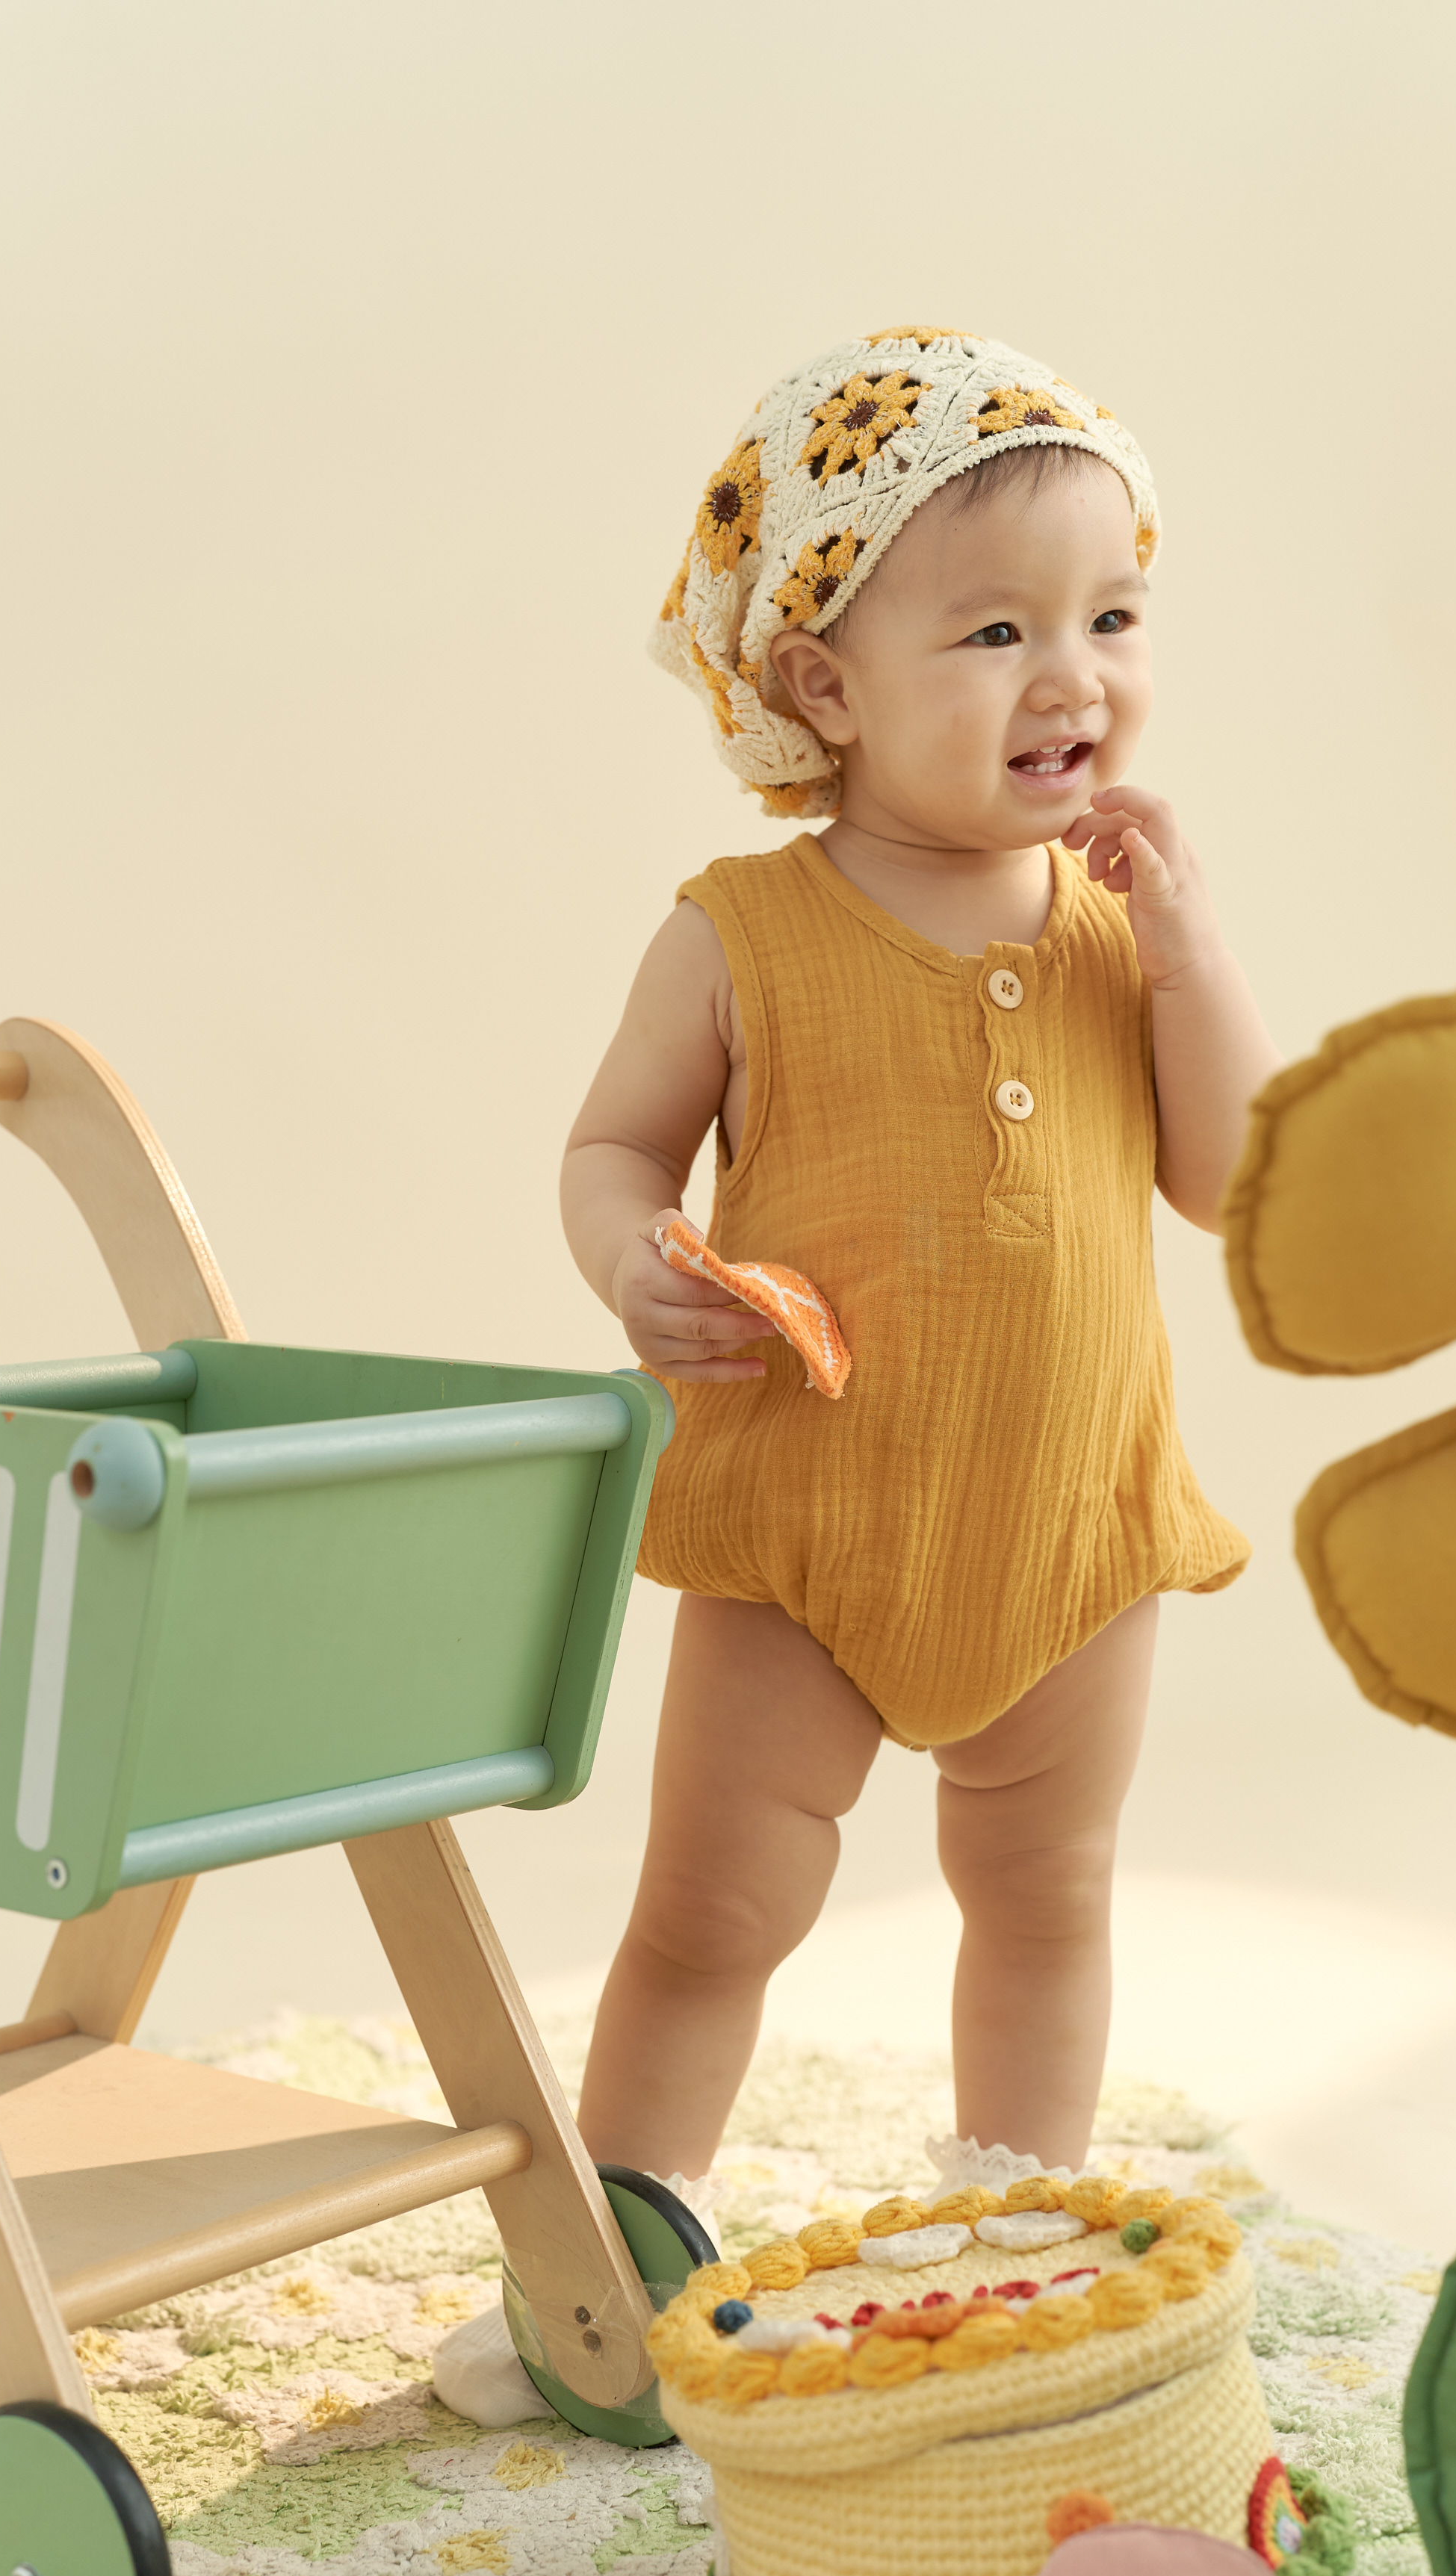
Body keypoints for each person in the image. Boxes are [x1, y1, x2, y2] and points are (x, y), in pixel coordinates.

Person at [435, 329, 1277, 2425]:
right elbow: (612, 1148)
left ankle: (1018, 2220)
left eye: (1111, 618)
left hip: (1070, 1522)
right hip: (810, 1526)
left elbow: (1229, 1178)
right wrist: (634, 1256)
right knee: (714, 1908)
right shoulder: (743, 929)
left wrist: (1192, 953)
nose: (1072, 676)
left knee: (1047, 1895)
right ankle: (607, 2264)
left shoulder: (1119, 931)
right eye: (996, 632)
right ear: (822, 685)